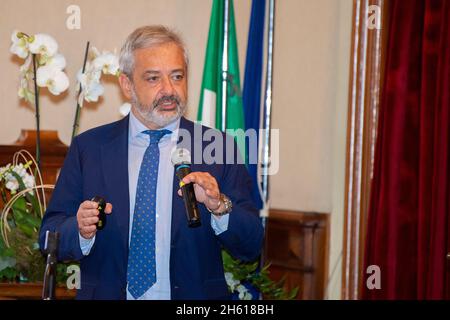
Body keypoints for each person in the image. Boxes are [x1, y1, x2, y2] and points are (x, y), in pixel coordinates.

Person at [39, 25, 264, 300]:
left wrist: (220, 207)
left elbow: (252, 245)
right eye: (154, 78)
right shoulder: (89, 148)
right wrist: (80, 228)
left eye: (177, 76)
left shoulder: (216, 147)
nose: (169, 90)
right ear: (127, 85)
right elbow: (49, 236)